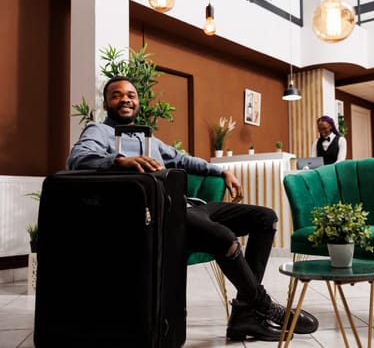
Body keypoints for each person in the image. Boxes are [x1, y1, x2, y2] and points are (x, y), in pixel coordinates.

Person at [67, 76, 318, 341]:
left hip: (188, 206)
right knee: (223, 237)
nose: (126, 99)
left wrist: (222, 172)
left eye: (131, 94)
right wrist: (121, 161)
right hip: (158, 214)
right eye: (117, 95)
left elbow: (184, 160)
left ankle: (245, 313)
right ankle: (262, 305)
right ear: (106, 103)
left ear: (138, 101)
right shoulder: (99, 131)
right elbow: (78, 159)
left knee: (265, 218)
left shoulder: (149, 138)